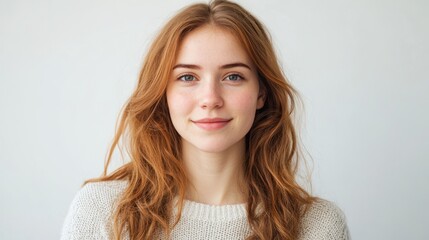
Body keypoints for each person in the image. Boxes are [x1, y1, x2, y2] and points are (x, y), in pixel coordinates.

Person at [61, 0, 350, 239]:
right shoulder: (102, 212)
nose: (210, 98)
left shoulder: (317, 227)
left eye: (233, 76)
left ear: (262, 93)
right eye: (188, 77)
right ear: (163, 93)